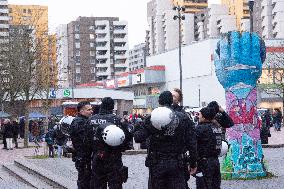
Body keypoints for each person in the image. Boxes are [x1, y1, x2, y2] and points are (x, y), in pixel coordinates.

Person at [134, 91, 198, 189]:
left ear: (159, 102)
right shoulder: (183, 117)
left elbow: (138, 138)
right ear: (171, 101)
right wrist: (193, 162)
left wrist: (141, 127)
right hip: (177, 162)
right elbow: (192, 142)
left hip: (157, 163)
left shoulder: (152, 118)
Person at [89, 97, 132, 189]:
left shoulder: (91, 120)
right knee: (115, 184)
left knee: (98, 184)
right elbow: (126, 136)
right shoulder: (117, 120)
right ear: (112, 107)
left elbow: (86, 139)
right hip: (114, 156)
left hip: (97, 156)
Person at [171, 88, 195, 189]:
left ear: (178, 100)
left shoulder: (184, 115)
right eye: (170, 95)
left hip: (179, 156)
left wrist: (193, 161)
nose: (171, 98)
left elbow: (191, 138)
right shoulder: (160, 112)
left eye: (174, 96)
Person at [195, 107, 222, 189]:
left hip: (205, 162)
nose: (198, 117)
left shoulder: (201, 128)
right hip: (215, 161)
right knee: (215, 185)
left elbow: (193, 143)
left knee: (203, 185)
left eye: (199, 115)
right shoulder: (216, 127)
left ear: (204, 117)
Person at [70, 101, 93, 189]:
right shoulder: (79, 122)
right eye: (89, 110)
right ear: (81, 111)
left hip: (83, 156)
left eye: (91, 109)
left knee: (85, 180)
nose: (91, 111)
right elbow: (84, 141)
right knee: (84, 182)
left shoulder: (84, 121)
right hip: (83, 156)